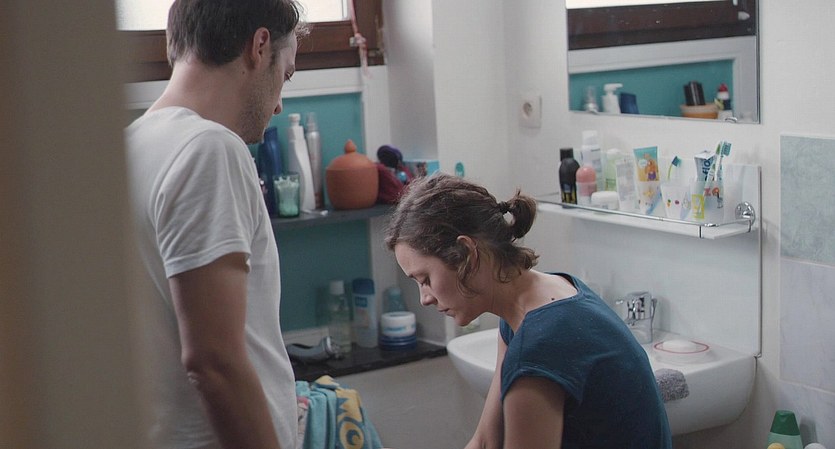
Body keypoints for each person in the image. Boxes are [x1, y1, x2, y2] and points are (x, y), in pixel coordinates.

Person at [124, 1, 306, 448]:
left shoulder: (131, 145)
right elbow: (214, 363)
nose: (279, 105)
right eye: (285, 76)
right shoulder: (208, 150)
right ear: (259, 47)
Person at [385, 173, 672, 449]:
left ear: (467, 254)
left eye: (425, 279)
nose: (424, 299)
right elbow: (485, 442)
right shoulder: (547, 297)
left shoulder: (538, 348)